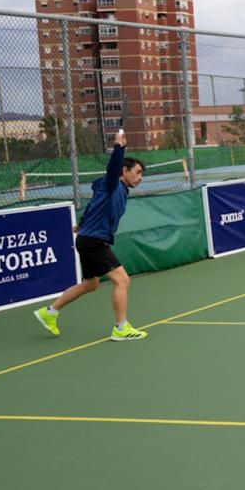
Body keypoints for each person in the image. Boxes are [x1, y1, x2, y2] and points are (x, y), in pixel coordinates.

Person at [33, 128, 148, 341]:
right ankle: (121, 327)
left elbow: (95, 206)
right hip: (94, 242)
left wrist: (82, 224)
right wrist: (119, 147)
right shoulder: (112, 184)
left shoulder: (117, 191)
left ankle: (50, 312)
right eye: (138, 172)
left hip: (88, 239)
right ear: (124, 171)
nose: (140, 178)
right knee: (123, 280)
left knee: (91, 285)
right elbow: (113, 168)